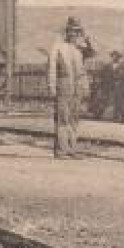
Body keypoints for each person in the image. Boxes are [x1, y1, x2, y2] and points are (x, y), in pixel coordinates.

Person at [46, 17, 88, 159]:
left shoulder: (78, 50)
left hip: (76, 86)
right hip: (63, 84)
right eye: (73, 31)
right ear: (67, 32)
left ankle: (72, 149)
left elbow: (82, 71)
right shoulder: (58, 47)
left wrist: (84, 87)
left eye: (78, 32)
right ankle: (61, 150)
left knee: (74, 118)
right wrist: (51, 85)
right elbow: (51, 68)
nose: (75, 34)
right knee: (63, 118)